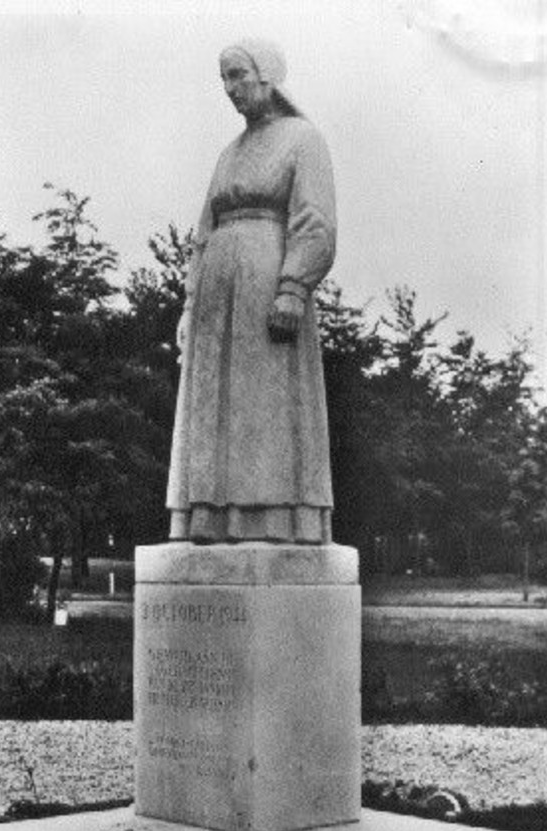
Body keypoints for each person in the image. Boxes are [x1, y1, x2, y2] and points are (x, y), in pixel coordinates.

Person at [166, 38, 337, 544]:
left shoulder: (303, 139)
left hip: (268, 286)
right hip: (216, 300)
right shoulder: (228, 153)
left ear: (268, 76)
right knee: (213, 406)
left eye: (238, 75)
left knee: (264, 403)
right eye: (224, 78)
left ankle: (271, 519)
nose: (229, 89)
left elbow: (316, 220)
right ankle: (210, 520)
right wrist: (190, 304)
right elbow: (202, 234)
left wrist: (292, 287)